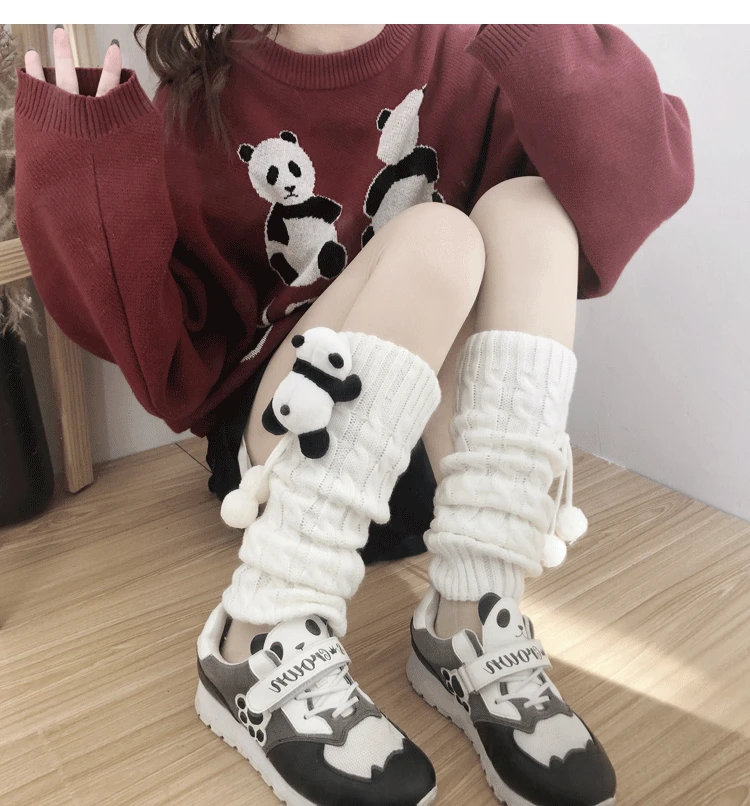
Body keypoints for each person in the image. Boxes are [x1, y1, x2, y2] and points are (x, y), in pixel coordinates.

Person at [17, 24, 693, 806]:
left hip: (442, 485)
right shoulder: (202, 100)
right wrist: (84, 176)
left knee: (534, 208)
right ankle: (258, 631)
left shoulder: (470, 52)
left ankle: (474, 609)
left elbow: (637, 183)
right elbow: (167, 368)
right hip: (285, 470)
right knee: (439, 235)